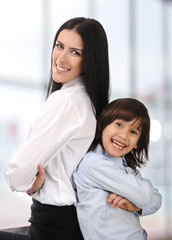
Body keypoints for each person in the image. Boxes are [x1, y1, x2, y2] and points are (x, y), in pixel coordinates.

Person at [1, 17, 110, 240]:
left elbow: (17, 173)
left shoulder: (67, 101)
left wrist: (30, 184)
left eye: (75, 52)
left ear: (91, 60)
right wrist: (34, 185)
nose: (61, 58)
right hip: (70, 226)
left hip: (52, 228)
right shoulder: (89, 104)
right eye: (59, 46)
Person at [73, 98, 162, 240]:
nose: (123, 136)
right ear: (103, 125)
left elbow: (157, 199)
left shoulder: (127, 169)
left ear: (137, 143)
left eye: (133, 132)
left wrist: (135, 206)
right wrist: (140, 195)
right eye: (119, 124)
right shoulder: (94, 164)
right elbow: (145, 196)